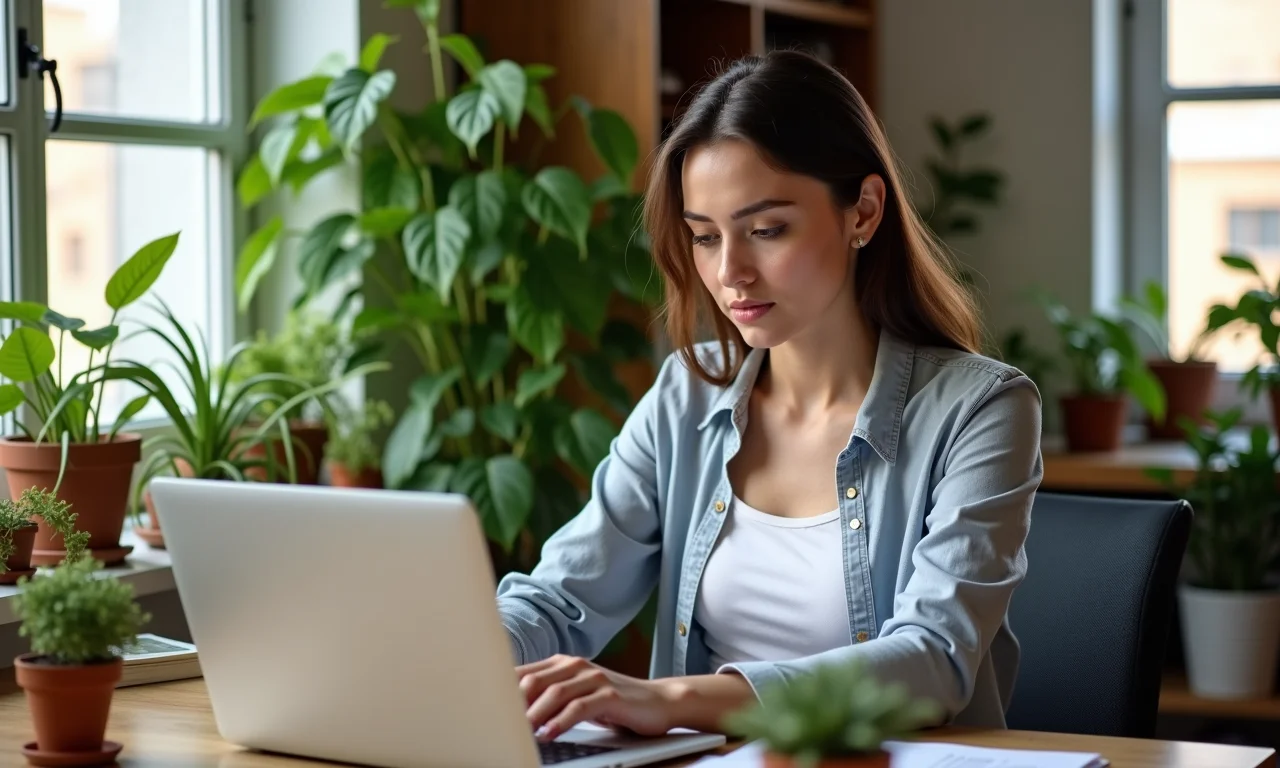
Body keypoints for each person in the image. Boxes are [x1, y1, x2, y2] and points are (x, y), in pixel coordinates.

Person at [496, 49, 1043, 743]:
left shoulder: (980, 409)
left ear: (863, 212)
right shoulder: (685, 397)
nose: (730, 273)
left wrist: (670, 699)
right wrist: (465, 656)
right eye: (703, 237)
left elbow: (932, 660)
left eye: (766, 230)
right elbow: (561, 600)